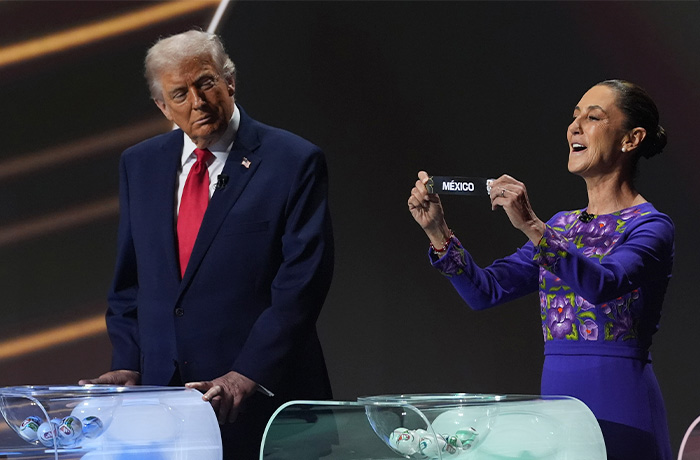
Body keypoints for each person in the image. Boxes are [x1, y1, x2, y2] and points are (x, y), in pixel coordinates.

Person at [80, 30, 334, 459]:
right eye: (179, 93)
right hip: (163, 410)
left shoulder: (293, 161)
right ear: (163, 107)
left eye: (206, 83)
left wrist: (245, 375)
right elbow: (129, 281)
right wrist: (128, 361)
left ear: (229, 81)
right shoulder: (139, 165)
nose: (197, 101)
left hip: (263, 407)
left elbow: (301, 286)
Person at [407, 80, 673, 460]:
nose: (575, 126)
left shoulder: (651, 226)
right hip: (559, 406)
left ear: (631, 139)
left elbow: (603, 284)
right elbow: (485, 292)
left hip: (622, 404)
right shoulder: (562, 227)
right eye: (574, 116)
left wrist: (532, 225)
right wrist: (438, 232)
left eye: (593, 117)